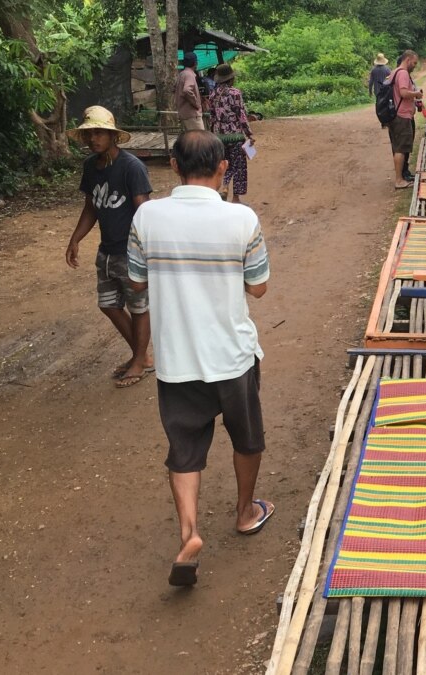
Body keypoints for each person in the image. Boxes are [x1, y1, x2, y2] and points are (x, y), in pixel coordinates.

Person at [126, 130, 273, 588]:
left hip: (176, 359)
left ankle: (189, 533)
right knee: (247, 439)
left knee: (185, 449)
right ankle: (245, 512)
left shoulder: (147, 216)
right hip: (232, 355)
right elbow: (258, 287)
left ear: (173, 165)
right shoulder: (240, 218)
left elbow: (135, 283)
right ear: (223, 166)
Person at [65, 106, 154, 388]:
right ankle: (142, 356)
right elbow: (91, 206)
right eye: (89, 134)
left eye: (99, 133)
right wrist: (75, 238)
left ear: (113, 136)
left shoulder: (132, 167)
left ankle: (139, 360)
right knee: (108, 305)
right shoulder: (91, 167)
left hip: (131, 252)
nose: (93, 139)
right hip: (107, 251)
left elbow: (144, 211)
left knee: (139, 307)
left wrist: (147, 250)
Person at [208, 63, 255, 203]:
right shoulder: (235, 93)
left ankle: (225, 187)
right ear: (230, 79)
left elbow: (212, 117)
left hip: (219, 136)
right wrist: (249, 134)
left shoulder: (212, 95)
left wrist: (212, 134)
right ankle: (235, 198)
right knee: (239, 166)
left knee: (225, 163)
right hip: (235, 135)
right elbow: (241, 115)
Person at [388, 50, 423, 189]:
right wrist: (416, 94)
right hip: (402, 115)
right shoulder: (402, 73)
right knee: (401, 149)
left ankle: (401, 176)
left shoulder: (394, 72)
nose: (414, 66)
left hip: (397, 115)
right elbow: (403, 92)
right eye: (414, 63)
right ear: (408, 60)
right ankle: (399, 180)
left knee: (398, 147)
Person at [175, 52, 203, 131]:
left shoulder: (182, 74)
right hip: (192, 114)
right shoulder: (189, 75)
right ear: (195, 63)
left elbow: (175, 89)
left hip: (184, 113)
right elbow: (187, 90)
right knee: (199, 140)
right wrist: (196, 103)